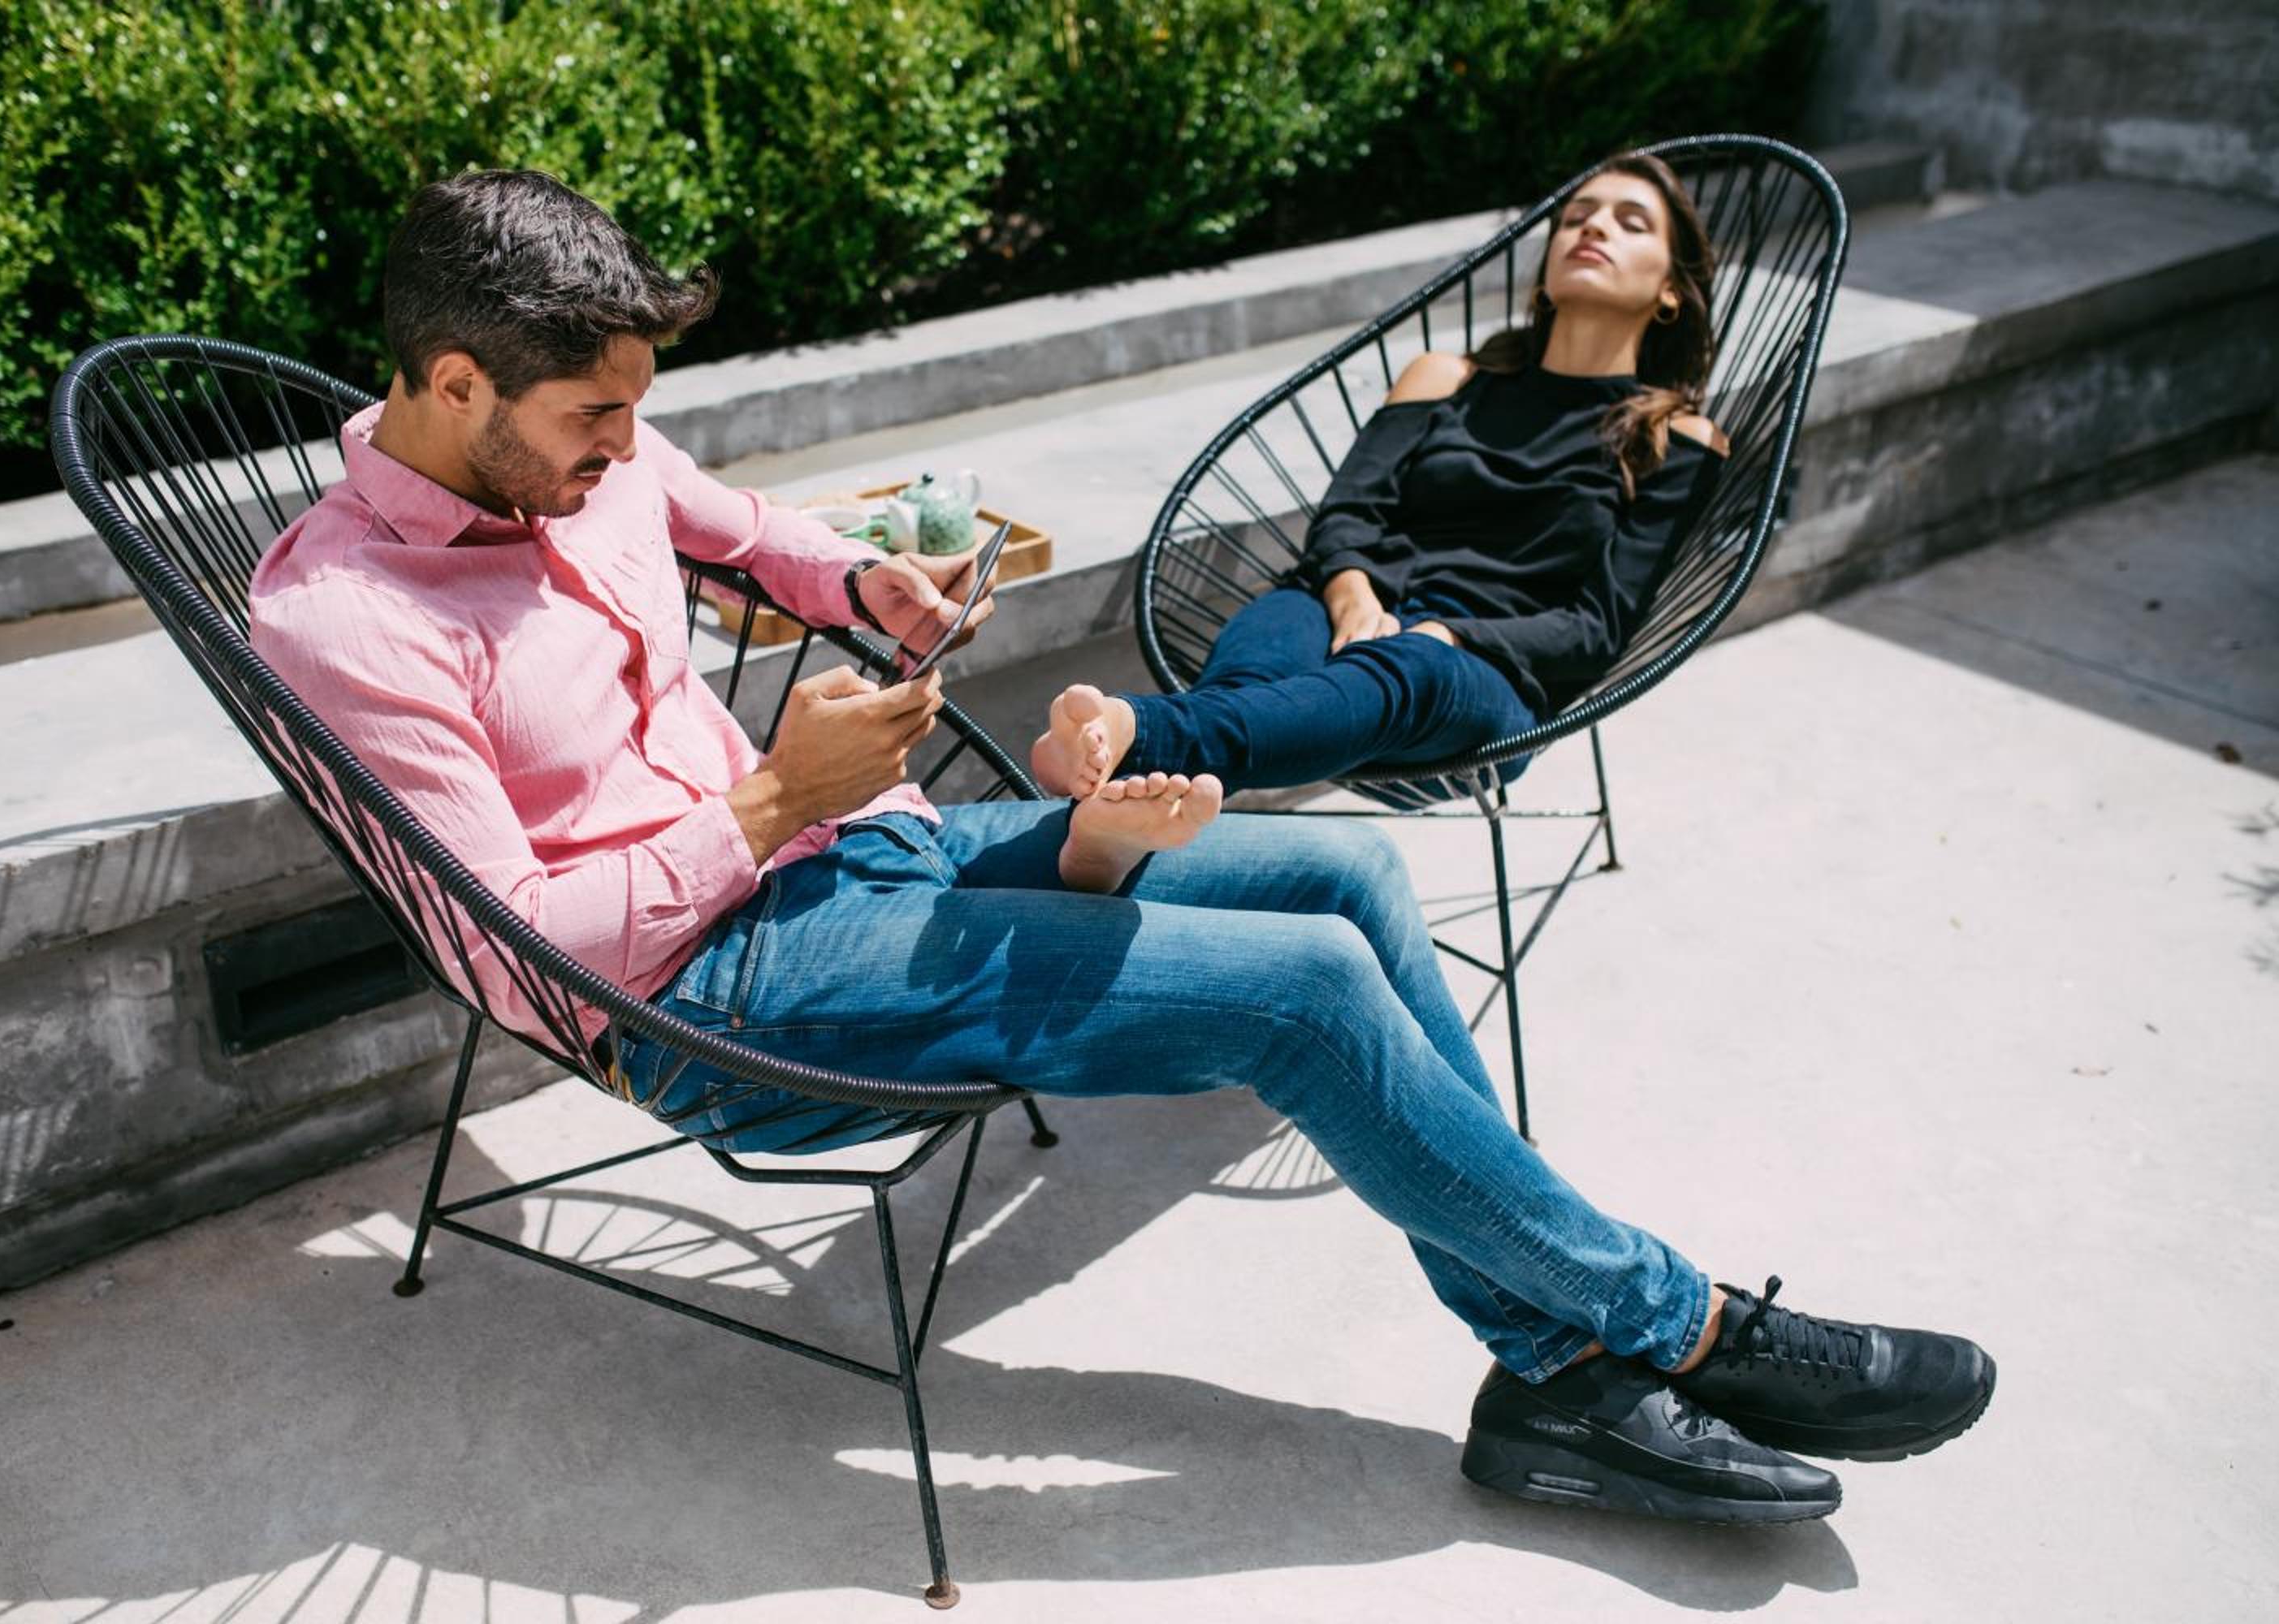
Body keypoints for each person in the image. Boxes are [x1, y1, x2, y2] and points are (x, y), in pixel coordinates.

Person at [250, 168, 1992, 1530]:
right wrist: (770, 801)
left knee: (1351, 879)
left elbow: (751, 532)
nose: (629, 453)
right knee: (1303, 995)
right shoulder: (345, 620)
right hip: (711, 993)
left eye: (639, 413)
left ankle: (1554, 1373)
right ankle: (1684, 1327)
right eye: (594, 424)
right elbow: (516, 955)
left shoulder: (588, 436)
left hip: (864, 861)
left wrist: (868, 584)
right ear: (456, 382)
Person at [1033, 153, 1728, 801]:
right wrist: (1350, 595)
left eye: (1630, 222)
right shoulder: (1446, 378)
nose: (1593, 227)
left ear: (1670, 290)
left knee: (1406, 671)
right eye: (1576, 217)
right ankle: (1130, 823)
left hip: (1482, 672)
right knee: (1265, 654)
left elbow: (1597, 629)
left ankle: (1139, 736)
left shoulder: (1675, 439)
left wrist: (1453, 636)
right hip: (1346, 601)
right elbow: (1349, 511)